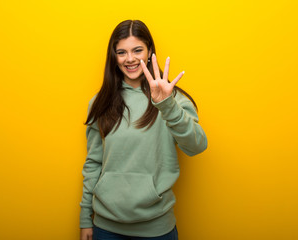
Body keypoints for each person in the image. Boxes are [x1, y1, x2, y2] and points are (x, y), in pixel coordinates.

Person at [79, 19, 208, 240]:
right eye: (122, 52)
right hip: (105, 227)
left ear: (149, 52)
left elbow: (197, 146)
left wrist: (167, 105)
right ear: (114, 57)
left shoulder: (173, 99)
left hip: (157, 229)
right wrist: (84, 218)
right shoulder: (100, 103)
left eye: (137, 50)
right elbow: (93, 163)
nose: (130, 59)